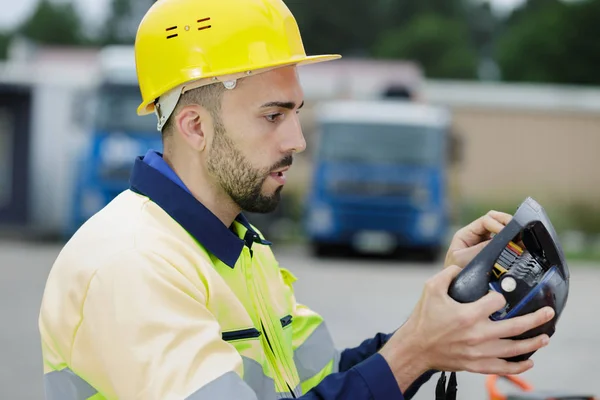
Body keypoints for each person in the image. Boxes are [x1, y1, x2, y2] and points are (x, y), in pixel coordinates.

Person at [38, 0, 555, 399]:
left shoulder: (239, 248)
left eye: (297, 112)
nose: (297, 140)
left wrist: (442, 317)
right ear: (196, 126)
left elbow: (327, 383)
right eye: (272, 115)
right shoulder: (132, 262)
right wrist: (416, 349)